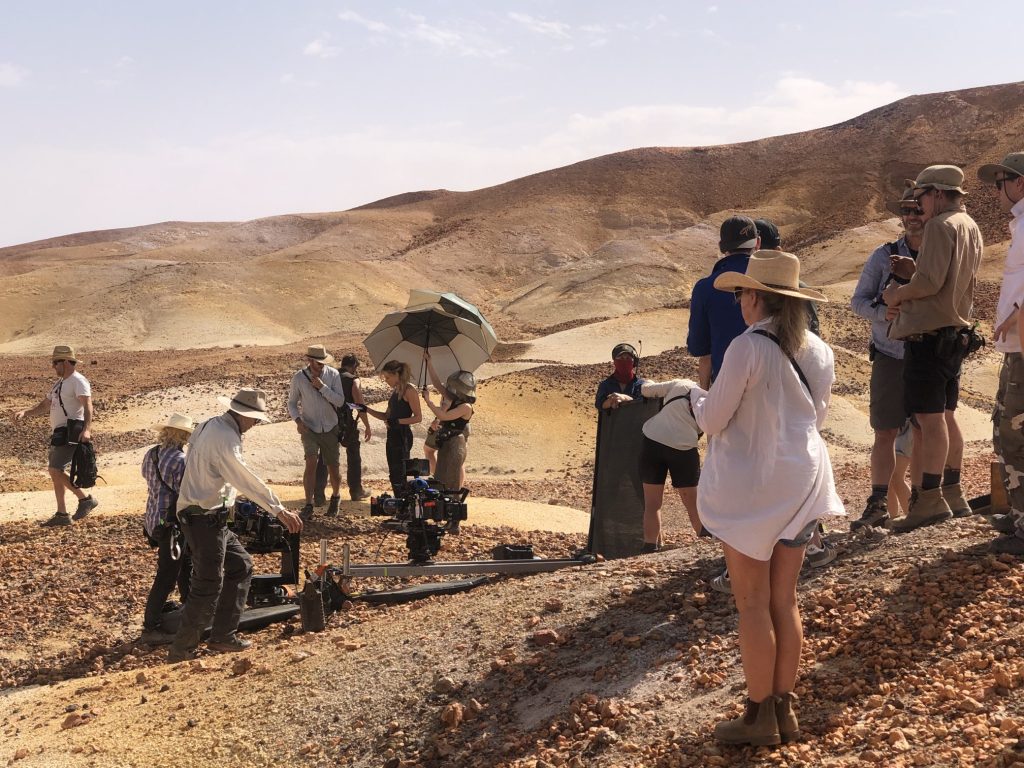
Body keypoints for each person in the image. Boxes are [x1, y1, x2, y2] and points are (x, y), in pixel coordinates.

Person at [690, 251, 843, 746]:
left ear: (756, 297)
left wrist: (693, 397)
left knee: (752, 603)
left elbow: (713, 419)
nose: (739, 303)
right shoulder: (818, 349)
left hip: (753, 484)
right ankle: (784, 710)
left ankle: (758, 719)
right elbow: (814, 418)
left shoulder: (745, 348)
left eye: (741, 294)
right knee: (784, 599)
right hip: (804, 479)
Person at [882, 165, 983, 531]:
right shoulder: (968, 225)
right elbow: (945, 278)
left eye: (922, 196)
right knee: (944, 413)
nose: (919, 205)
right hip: (955, 331)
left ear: (938, 193)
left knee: (929, 418)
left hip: (929, 333)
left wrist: (896, 292)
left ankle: (930, 500)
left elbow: (929, 283)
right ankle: (952, 492)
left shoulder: (941, 226)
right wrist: (917, 274)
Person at [167, 389, 303, 662]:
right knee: (207, 583)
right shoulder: (226, 438)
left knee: (241, 566)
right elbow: (244, 478)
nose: (254, 425)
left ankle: (222, 635)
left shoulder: (209, 425)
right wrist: (277, 509)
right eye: (254, 419)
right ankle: (182, 649)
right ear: (242, 415)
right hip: (204, 517)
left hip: (208, 516)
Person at [849, 185, 925, 529]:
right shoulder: (884, 256)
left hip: (928, 353)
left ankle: (925, 501)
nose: (911, 217)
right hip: (890, 353)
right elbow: (858, 302)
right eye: (906, 210)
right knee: (884, 431)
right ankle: (878, 503)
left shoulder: (941, 250)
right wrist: (884, 313)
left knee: (926, 429)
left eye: (917, 209)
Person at [978, 153, 1024, 554]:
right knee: (1006, 428)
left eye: (1000, 182)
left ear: (1019, 182)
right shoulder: (1020, 224)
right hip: (1016, 347)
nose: (997, 191)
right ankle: (1018, 513)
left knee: (1016, 433)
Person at [14, 345, 98, 526]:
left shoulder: (78, 380)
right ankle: (62, 514)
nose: (53, 366)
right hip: (59, 433)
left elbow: (88, 405)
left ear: (66, 362)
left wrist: (87, 429)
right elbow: (44, 406)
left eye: (55, 362)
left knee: (55, 469)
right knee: (55, 471)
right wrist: (25, 413)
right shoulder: (59, 383)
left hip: (71, 431)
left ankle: (85, 500)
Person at [139, 413, 194, 645]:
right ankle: (150, 626)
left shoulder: (151, 454)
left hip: (153, 519)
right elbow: (186, 491)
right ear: (182, 435)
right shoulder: (180, 460)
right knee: (168, 573)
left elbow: (147, 479)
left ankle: (190, 610)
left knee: (181, 565)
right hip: (172, 523)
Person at [687, 216, 760, 389]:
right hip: (774, 390)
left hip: (726, 389)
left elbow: (699, 348)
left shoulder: (705, 288)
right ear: (757, 242)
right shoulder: (774, 282)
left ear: (721, 247)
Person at [637, 377, 702, 549]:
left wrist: (647, 381)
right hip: (684, 447)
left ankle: (649, 548)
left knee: (652, 503)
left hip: (653, 440)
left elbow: (645, 390)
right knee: (692, 502)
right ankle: (705, 543)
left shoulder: (682, 384)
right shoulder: (716, 398)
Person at [287, 344, 346, 519]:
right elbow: (291, 402)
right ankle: (308, 504)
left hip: (330, 427)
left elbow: (340, 401)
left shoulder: (333, 375)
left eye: (323, 363)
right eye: (318, 363)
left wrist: (322, 387)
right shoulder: (299, 378)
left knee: (333, 468)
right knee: (311, 463)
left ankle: (335, 497)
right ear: (310, 361)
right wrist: (297, 421)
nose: (321, 366)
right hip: (309, 427)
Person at [366, 360, 423, 493]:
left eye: (387, 377)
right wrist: (366, 409)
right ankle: (400, 504)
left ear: (397, 374)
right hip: (392, 435)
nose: (386, 381)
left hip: (403, 436)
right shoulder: (395, 391)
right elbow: (386, 416)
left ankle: (403, 506)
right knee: (393, 473)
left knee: (400, 473)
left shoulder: (409, 391)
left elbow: (418, 417)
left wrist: (398, 422)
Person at [422, 354, 475, 494]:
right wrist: (429, 363)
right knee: (439, 463)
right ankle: (443, 487)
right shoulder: (452, 397)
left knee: (455, 467)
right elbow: (437, 384)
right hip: (445, 436)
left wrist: (428, 401)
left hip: (456, 439)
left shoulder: (466, 407)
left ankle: (455, 492)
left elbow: (443, 415)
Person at [338, 354, 372, 501]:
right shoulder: (353, 379)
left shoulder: (331, 375)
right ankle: (356, 491)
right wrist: (367, 425)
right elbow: (359, 404)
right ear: (354, 367)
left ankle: (318, 493)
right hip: (345, 422)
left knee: (325, 458)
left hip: (327, 421)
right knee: (353, 455)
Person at [595, 343, 645, 410]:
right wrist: (610, 401)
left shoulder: (641, 385)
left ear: (634, 362)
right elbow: (599, 404)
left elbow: (643, 404)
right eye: (621, 358)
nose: (624, 361)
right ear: (615, 362)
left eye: (628, 358)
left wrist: (624, 398)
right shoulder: (605, 385)